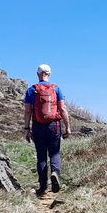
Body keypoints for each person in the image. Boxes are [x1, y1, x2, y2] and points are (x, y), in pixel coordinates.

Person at [24, 63, 72, 196]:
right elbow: (62, 109)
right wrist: (67, 127)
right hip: (54, 126)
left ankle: (43, 187)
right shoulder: (56, 89)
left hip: (38, 126)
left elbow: (28, 111)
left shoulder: (31, 90)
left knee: (41, 156)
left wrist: (27, 129)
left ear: (38, 74)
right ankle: (55, 173)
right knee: (55, 153)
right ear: (49, 74)